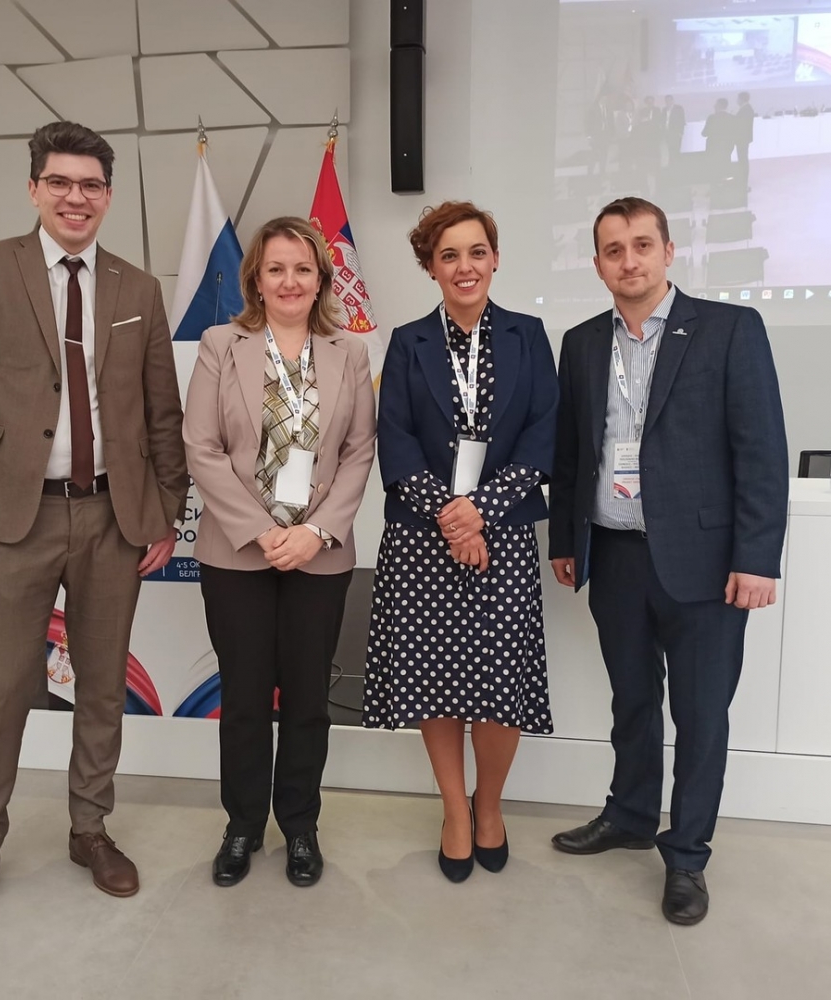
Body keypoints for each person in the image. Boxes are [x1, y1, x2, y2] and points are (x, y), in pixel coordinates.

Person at [0, 121, 187, 928]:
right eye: (61, 183)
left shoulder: (138, 288)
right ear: (35, 189)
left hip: (113, 516)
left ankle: (89, 829)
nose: (77, 198)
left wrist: (165, 510)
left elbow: (162, 412)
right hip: (11, 519)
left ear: (108, 196)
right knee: (2, 687)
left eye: (92, 185)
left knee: (103, 683)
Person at [548, 196, 788, 926]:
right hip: (616, 553)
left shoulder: (729, 330)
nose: (629, 261)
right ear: (598, 265)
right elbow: (572, 450)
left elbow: (761, 452)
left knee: (701, 713)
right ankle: (628, 815)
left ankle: (686, 856)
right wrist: (566, 540)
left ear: (668, 251)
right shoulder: (582, 343)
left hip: (706, 564)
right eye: (613, 250)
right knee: (631, 700)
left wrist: (757, 558)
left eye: (642, 245)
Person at [362, 201, 559, 882]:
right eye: (449, 255)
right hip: (422, 542)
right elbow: (395, 442)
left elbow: (543, 435)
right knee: (434, 681)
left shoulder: (528, 335)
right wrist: (452, 518)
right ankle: (453, 810)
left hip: (501, 539)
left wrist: (481, 513)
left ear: (495, 259)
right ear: (431, 267)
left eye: (477, 252)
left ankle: (489, 805)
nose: (465, 266)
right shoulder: (408, 341)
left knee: (501, 682)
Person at [184, 216, 376, 889]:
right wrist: (261, 531)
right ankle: (242, 825)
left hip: (318, 557)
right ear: (256, 281)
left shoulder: (350, 352)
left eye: (302, 268)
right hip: (237, 554)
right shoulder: (220, 344)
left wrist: (315, 532)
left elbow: (359, 452)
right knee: (242, 697)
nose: (289, 280)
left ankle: (299, 826)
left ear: (320, 279)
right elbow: (201, 446)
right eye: (276, 269)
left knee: (307, 698)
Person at [701, 97, 736, 182]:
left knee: (714, 168)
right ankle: (726, 183)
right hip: (727, 146)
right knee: (725, 165)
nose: (714, 106)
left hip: (713, 147)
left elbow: (704, 133)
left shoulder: (712, 118)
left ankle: (715, 185)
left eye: (715, 104)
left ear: (719, 105)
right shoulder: (732, 117)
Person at [735, 91, 755, 182]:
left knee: (743, 159)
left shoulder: (746, 109)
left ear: (741, 99)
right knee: (742, 159)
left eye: (738, 99)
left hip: (742, 138)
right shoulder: (746, 108)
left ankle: (743, 180)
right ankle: (742, 179)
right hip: (743, 138)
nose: (737, 100)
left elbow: (741, 124)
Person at [663, 95, 686, 167]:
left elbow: (682, 120)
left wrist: (680, 132)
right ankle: (671, 164)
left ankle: (677, 165)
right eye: (666, 100)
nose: (668, 102)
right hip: (667, 132)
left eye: (669, 100)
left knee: (676, 149)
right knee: (669, 149)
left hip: (676, 132)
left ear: (672, 100)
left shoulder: (678, 108)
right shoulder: (664, 109)